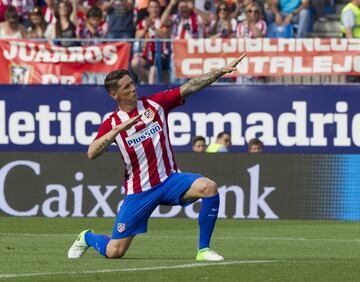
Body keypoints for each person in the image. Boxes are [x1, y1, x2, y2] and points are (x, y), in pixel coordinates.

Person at [67, 53, 247, 262]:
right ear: (114, 95)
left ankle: (204, 250)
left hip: (170, 180)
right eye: (126, 87)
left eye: (132, 83)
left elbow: (189, 87)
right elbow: (92, 152)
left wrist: (220, 72)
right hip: (140, 191)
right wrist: (117, 130)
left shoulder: (155, 104)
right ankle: (86, 237)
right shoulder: (112, 122)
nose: (133, 89)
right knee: (114, 252)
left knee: (209, 187)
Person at [131, 0, 169, 84]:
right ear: (148, 9)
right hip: (146, 53)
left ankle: (150, 87)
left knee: (153, 70)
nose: (154, 9)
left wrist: (152, 27)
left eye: (156, 7)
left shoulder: (163, 21)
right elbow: (137, 36)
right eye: (151, 7)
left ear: (159, 9)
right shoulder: (143, 22)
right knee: (135, 63)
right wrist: (145, 29)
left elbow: (165, 35)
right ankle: (146, 82)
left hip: (160, 53)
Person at [340, 0, 360, 83]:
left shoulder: (356, 9)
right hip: (354, 45)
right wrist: (352, 47)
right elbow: (348, 31)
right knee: (353, 72)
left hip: (357, 45)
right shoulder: (349, 10)